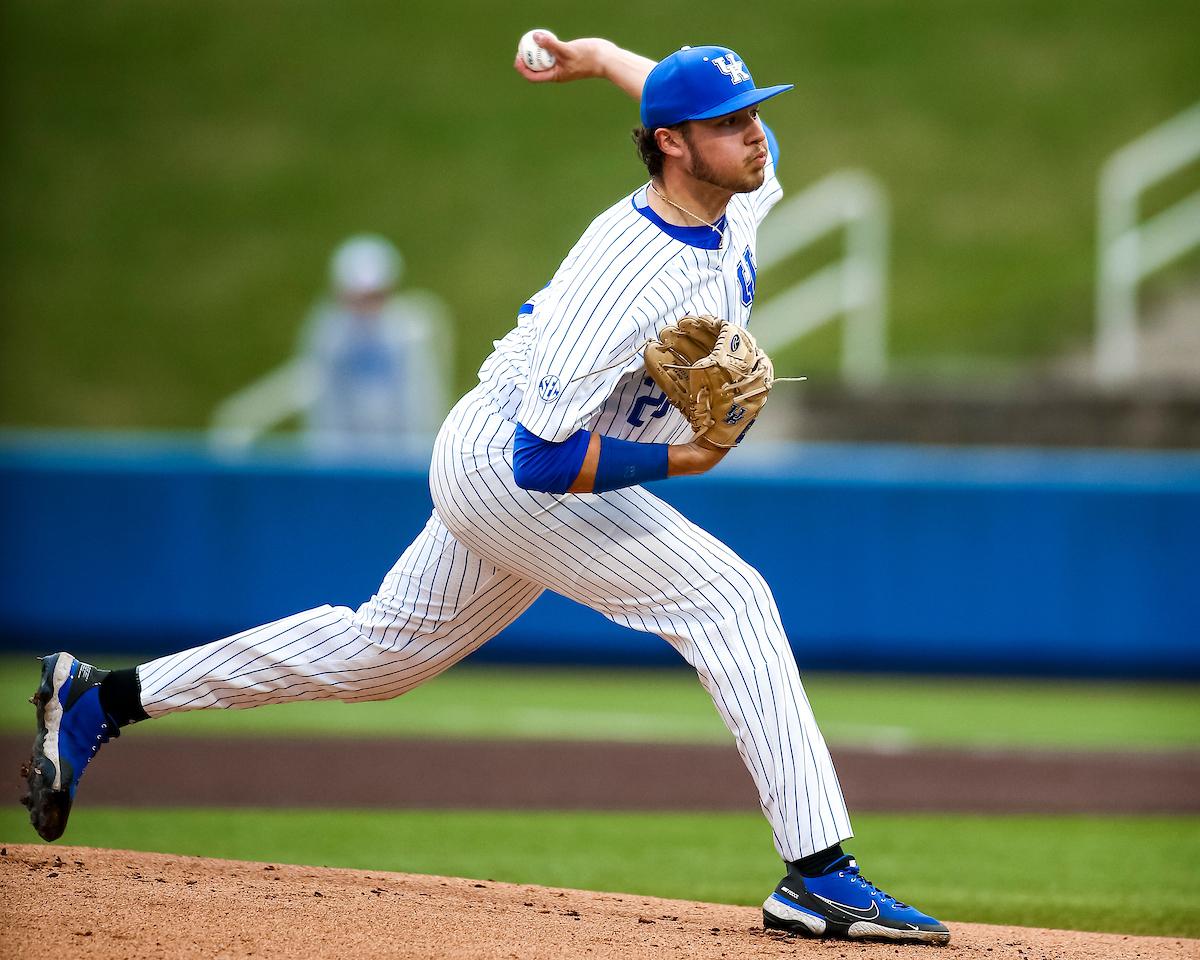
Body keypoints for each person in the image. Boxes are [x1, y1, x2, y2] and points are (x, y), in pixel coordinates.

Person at [22, 35, 950, 944]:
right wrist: (688, 461)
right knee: (728, 598)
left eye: (754, 113)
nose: (756, 135)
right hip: (504, 466)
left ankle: (103, 698)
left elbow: (692, 110)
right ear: (673, 143)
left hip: (522, 465)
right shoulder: (625, 277)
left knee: (382, 655)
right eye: (729, 121)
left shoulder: (730, 193)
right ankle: (820, 876)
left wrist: (603, 58)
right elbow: (539, 462)